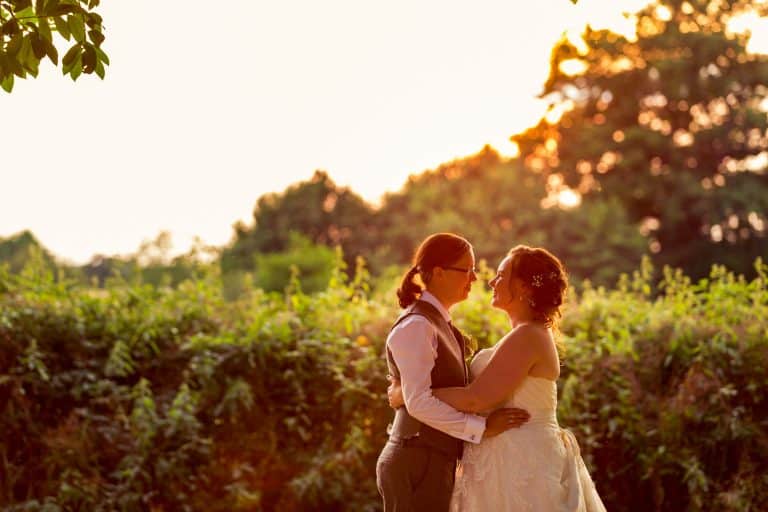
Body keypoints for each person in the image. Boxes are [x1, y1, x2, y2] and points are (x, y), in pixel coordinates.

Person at [388, 245, 606, 511]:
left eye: (502, 275)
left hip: (521, 459)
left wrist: (408, 395)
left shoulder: (527, 336)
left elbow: (474, 399)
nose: (491, 280)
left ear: (525, 287)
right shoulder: (524, 334)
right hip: (506, 455)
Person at [376, 233, 530, 512]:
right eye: (467, 270)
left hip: (433, 459)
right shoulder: (417, 326)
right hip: (416, 461)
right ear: (439, 273)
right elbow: (420, 403)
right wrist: (481, 429)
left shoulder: (437, 323)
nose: (474, 278)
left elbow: (420, 394)